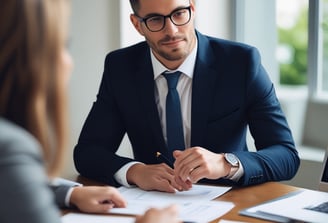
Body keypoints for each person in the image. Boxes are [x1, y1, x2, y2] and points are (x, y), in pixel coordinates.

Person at [73, 0, 300, 193]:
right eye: (154, 19)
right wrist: (135, 171)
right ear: (136, 24)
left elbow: (286, 155)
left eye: (179, 13)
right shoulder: (120, 67)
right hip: (153, 205)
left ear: (192, 8)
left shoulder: (241, 62)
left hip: (227, 202)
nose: (171, 30)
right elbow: (87, 152)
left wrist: (226, 163)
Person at [0, 0, 180, 223]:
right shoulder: (9, 148)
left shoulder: (235, 60)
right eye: (62, 45)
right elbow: (88, 151)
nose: (68, 62)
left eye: (179, 13)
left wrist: (69, 193)